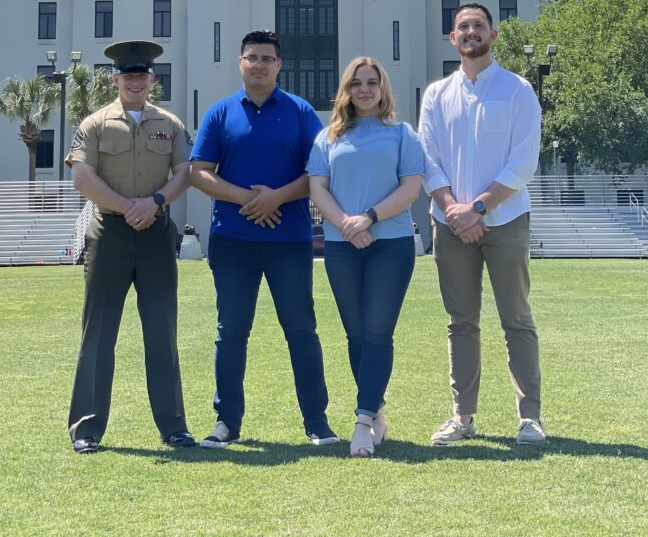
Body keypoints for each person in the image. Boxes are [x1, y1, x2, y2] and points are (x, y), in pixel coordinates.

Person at [189, 29, 338, 449]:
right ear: (240, 63)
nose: (259, 65)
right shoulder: (220, 113)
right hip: (231, 240)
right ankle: (226, 423)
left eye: (267, 59)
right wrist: (247, 199)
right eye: (251, 57)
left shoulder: (301, 112)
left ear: (279, 65)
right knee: (231, 331)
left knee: (301, 331)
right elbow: (199, 171)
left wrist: (276, 198)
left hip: (289, 241)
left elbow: (318, 173)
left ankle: (317, 423)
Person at [418, 3, 545, 447]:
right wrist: (454, 208)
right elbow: (427, 158)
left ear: (493, 35)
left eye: (478, 26)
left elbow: (523, 160)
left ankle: (529, 417)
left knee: (517, 318)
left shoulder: (518, 90)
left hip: (505, 219)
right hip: (449, 222)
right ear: (452, 39)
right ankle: (463, 416)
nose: (470, 33)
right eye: (462, 27)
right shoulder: (436, 94)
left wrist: (480, 208)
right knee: (461, 323)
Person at [66, 40, 196, 454]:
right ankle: (86, 428)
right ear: (116, 79)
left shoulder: (170, 124)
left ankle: (174, 427)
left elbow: (184, 174)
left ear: (152, 79)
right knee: (98, 333)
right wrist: (127, 206)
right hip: (110, 234)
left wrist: (153, 203)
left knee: (162, 333)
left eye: (143, 75)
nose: (136, 81)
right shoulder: (95, 124)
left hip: (157, 234)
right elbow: (82, 178)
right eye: (129, 75)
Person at [307, 57, 424, 457]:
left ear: (382, 88)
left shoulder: (402, 134)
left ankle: (361, 421)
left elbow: (411, 189)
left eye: (372, 83)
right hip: (342, 246)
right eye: (357, 83)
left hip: (390, 244)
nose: (365, 90)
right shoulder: (328, 137)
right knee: (355, 335)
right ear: (347, 89)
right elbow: (317, 188)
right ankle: (377, 412)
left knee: (377, 332)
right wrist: (345, 225)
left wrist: (369, 218)